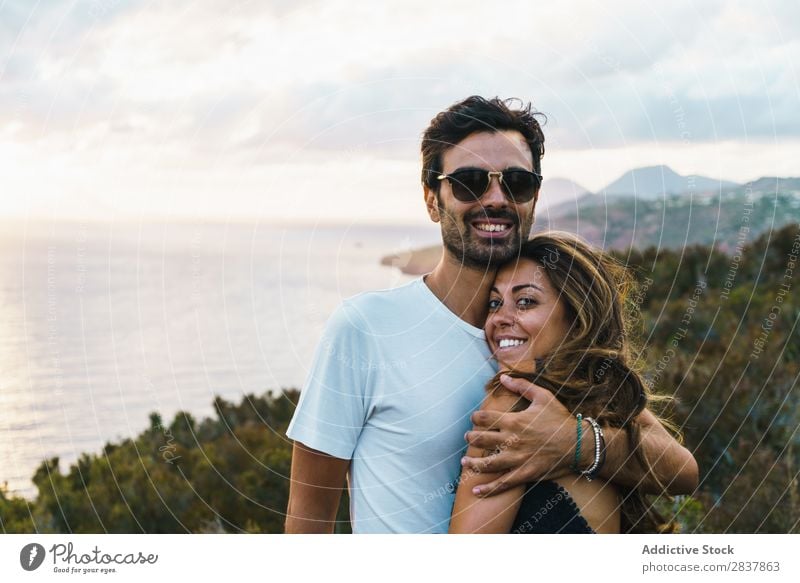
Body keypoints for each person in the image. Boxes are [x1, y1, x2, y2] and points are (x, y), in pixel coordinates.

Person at [284, 96, 698, 534]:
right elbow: (308, 519)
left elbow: (679, 471)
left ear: (533, 198)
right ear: (431, 199)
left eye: (516, 182)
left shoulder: (545, 334)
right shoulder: (365, 328)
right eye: (469, 182)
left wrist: (574, 444)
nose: (495, 198)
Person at [450, 232, 678, 534]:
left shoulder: (513, 402)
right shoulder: (602, 395)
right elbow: (681, 472)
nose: (500, 318)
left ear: (576, 316)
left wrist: (576, 443)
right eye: (494, 303)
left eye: (526, 302)